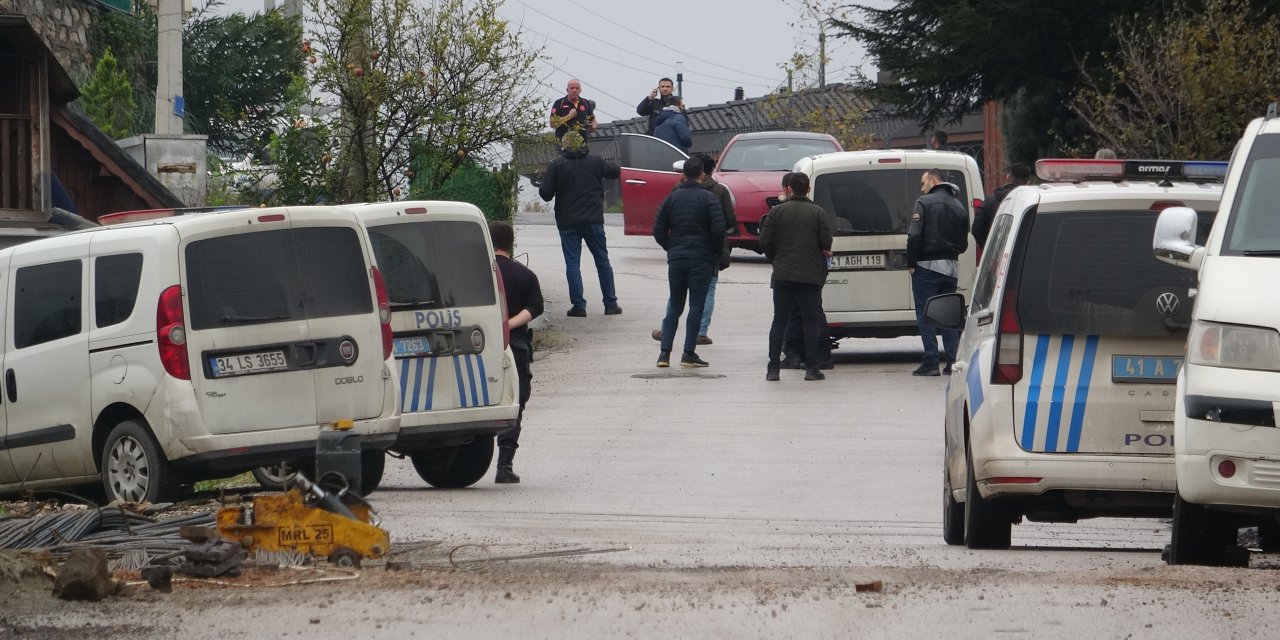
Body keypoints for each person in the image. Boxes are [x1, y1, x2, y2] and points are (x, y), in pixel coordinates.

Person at [650, 153, 737, 345]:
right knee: (707, 291)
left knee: (676, 297)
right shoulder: (719, 191)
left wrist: (671, 246)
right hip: (707, 253)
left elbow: (658, 228)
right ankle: (700, 332)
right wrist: (716, 250)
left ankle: (666, 332)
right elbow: (729, 221)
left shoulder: (676, 191)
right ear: (706, 172)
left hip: (679, 252)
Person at [538, 130, 622, 317]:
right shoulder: (595, 161)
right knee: (602, 261)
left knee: (572, 264)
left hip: (568, 222)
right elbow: (615, 171)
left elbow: (546, 194)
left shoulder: (557, 164)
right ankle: (610, 304)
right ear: (583, 144)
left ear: (563, 146)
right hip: (593, 220)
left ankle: (579, 306)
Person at [760, 172, 832, 382]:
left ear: (789, 189)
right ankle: (812, 368)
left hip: (783, 274)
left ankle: (773, 368)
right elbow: (826, 242)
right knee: (811, 321)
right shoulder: (818, 213)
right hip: (810, 276)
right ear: (808, 189)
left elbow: (765, 241)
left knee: (779, 320)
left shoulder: (776, 212)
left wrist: (777, 258)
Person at [488, 221, 544, 484]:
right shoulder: (525, 275)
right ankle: (504, 465)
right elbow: (535, 307)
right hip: (516, 346)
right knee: (514, 403)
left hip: (481, 347)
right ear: (510, 244)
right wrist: (509, 325)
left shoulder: (478, 273)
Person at [908, 168, 970, 377]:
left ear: (934, 181)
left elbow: (914, 235)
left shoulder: (923, 202)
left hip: (926, 266)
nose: (921, 188)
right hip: (951, 267)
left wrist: (911, 262)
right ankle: (952, 360)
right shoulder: (959, 205)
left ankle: (931, 361)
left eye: (923, 183)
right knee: (948, 314)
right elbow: (964, 242)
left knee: (925, 313)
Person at [972, 163, 1031, 249]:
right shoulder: (1031, 202)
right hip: (1022, 252)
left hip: (995, 251)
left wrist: (989, 248)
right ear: (1028, 182)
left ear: (1008, 177)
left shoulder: (989, 202)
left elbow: (977, 229)